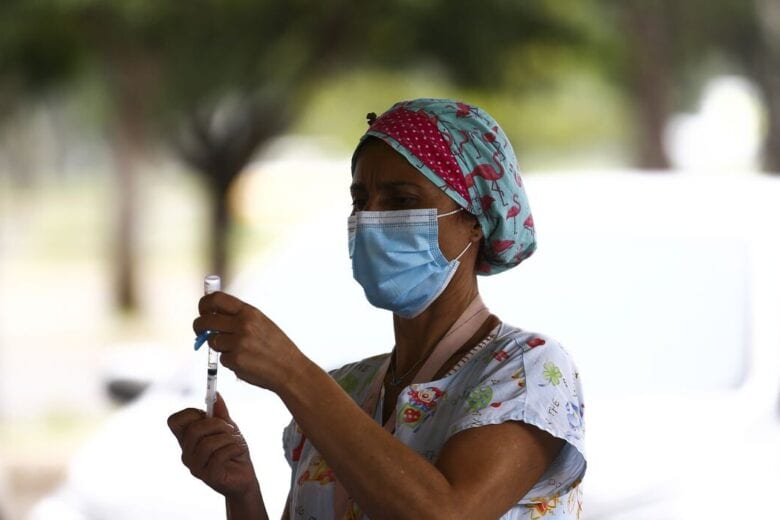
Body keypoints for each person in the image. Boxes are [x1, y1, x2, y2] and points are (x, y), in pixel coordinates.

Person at [168, 98, 586, 519]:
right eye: (360, 200)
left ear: (475, 218)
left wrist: (291, 373)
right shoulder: (348, 389)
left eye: (401, 200)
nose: (371, 218)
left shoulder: (527, 373)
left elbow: (446, 515)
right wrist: (242, 492)